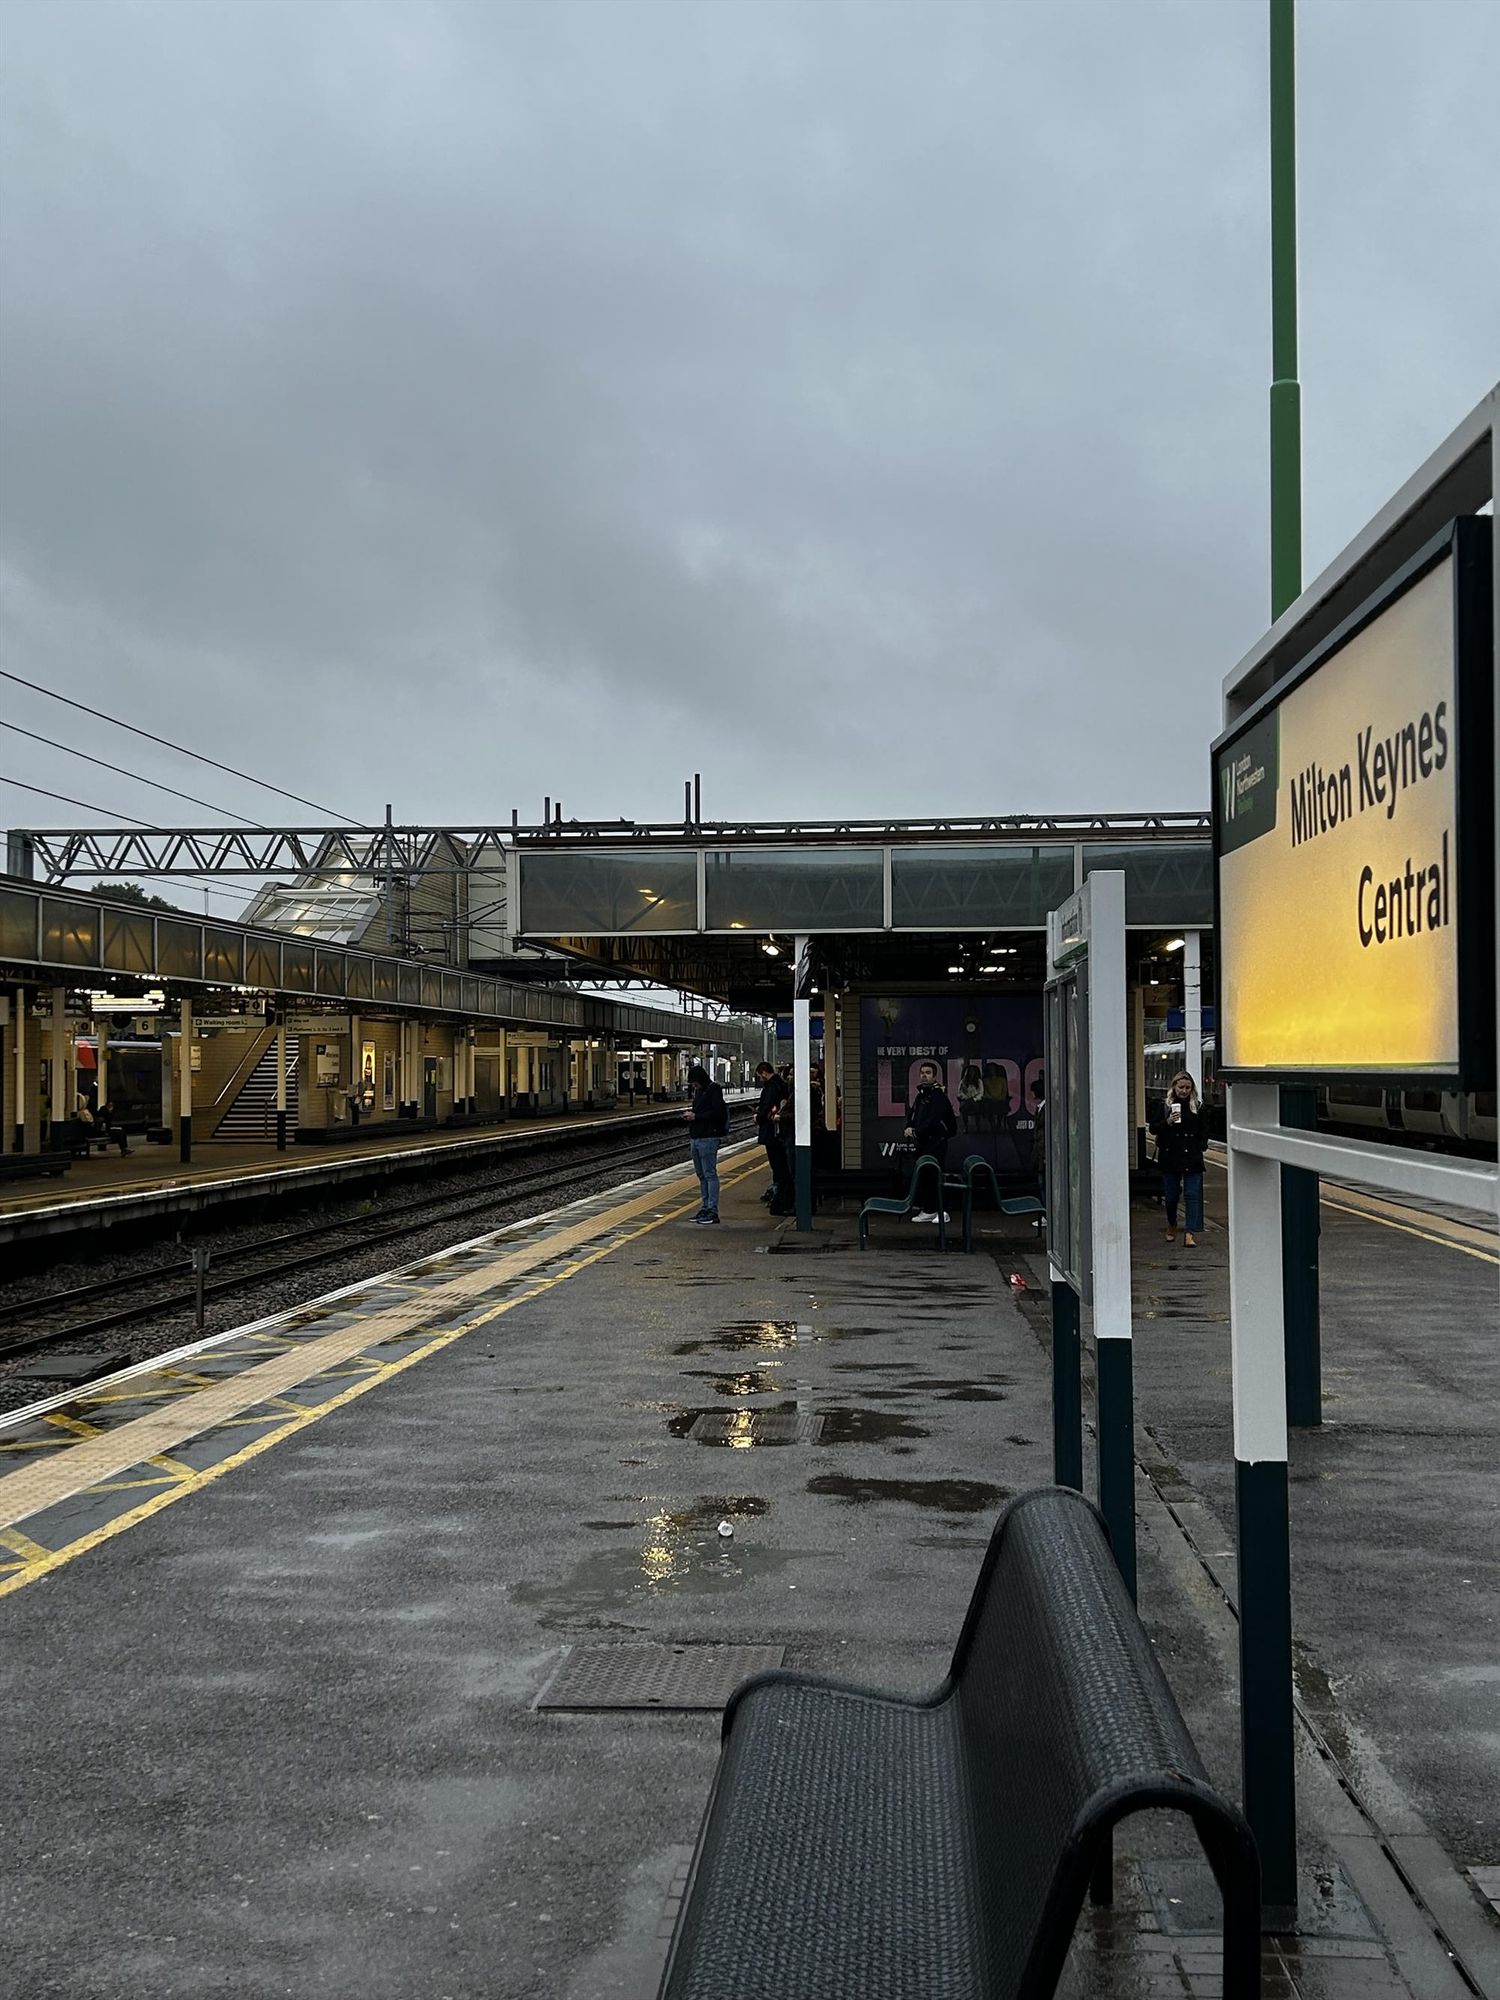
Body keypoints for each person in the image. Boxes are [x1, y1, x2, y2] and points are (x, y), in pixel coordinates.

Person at [1150, 1070, 1206, 1247]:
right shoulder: (1165, 1106)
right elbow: (1153, 1129)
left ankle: (1189, 1232)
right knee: (1172, 1196)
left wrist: (1202, 1145)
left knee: (1192, 1195)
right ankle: (1172, 1223)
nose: (1184, 1091)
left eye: (1188, 1088)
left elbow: (1204, 1130)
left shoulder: (1198, 1106)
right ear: (1174, 1087)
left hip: (1192, 1156)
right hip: (1171, 1155)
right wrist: (1167, 1122)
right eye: (1181, 1087)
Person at [903, 1059, 958, 1223]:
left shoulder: (938, 1096)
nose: (924, 1076)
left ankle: (942, 1211)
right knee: (926, 1176)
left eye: (928, 1073)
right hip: (924, 1142)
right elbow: (914, 1114)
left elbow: (933, 1121)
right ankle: (929, 1209)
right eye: (922, 1073)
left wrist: (915, 1131)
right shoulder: (922, 1095)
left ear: (934, 1076)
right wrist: (910, 1126)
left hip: (935, 1142)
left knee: (935, 1175)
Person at [684, 1063, 729, 1225]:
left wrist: (696, 1117)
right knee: (701, 1175)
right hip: (696, 1137)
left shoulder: (713, 1089)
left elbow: (718, 1113)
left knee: (709, 1174)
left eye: (695, 1082)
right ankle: (705, 1207)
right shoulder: (699, 1092)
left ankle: (712, 1210)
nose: (693, 1085)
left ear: (701, 1079)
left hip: (708, 1137)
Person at [753, 1061, 789, 1208]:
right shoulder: (781, 1084)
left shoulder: (771, 1087)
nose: (760, 1079)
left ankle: (779, 1197)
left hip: (771, 1131)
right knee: (781, 1165)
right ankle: (781, 1194)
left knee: (777, 1165)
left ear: (764, 1073)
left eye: (760, 1076)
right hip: (780, 1131)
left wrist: (758, 1116)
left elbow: (767, 1105)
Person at [981, 1061, 1011, 1133]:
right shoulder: (985, 1080)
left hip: (1000, 1100)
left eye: (993, 1069)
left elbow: (1005, 1091)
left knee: (1002, 1106)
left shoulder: (1002, 1080)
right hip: (989, 1100)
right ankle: (992, 1124)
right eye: (990, 1069)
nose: (992, 1070)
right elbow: (984, 1092)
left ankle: (998, 1124)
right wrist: (991, 1098)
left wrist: (1000, 1098)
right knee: (987, 1106)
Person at [958, 1063, 984, 1134]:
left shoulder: (979, 1081)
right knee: (964, 1109)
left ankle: (978, 1126)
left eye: (973, 1071)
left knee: (977, 1108)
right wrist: (966, 1098)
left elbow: (981, 1093)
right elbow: (960, 1093)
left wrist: (974, 1099)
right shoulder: (963, 1082)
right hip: (966, 1101)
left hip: (976, 1101)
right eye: (970, 1071)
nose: (971, 1073)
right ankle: (966, 1127)